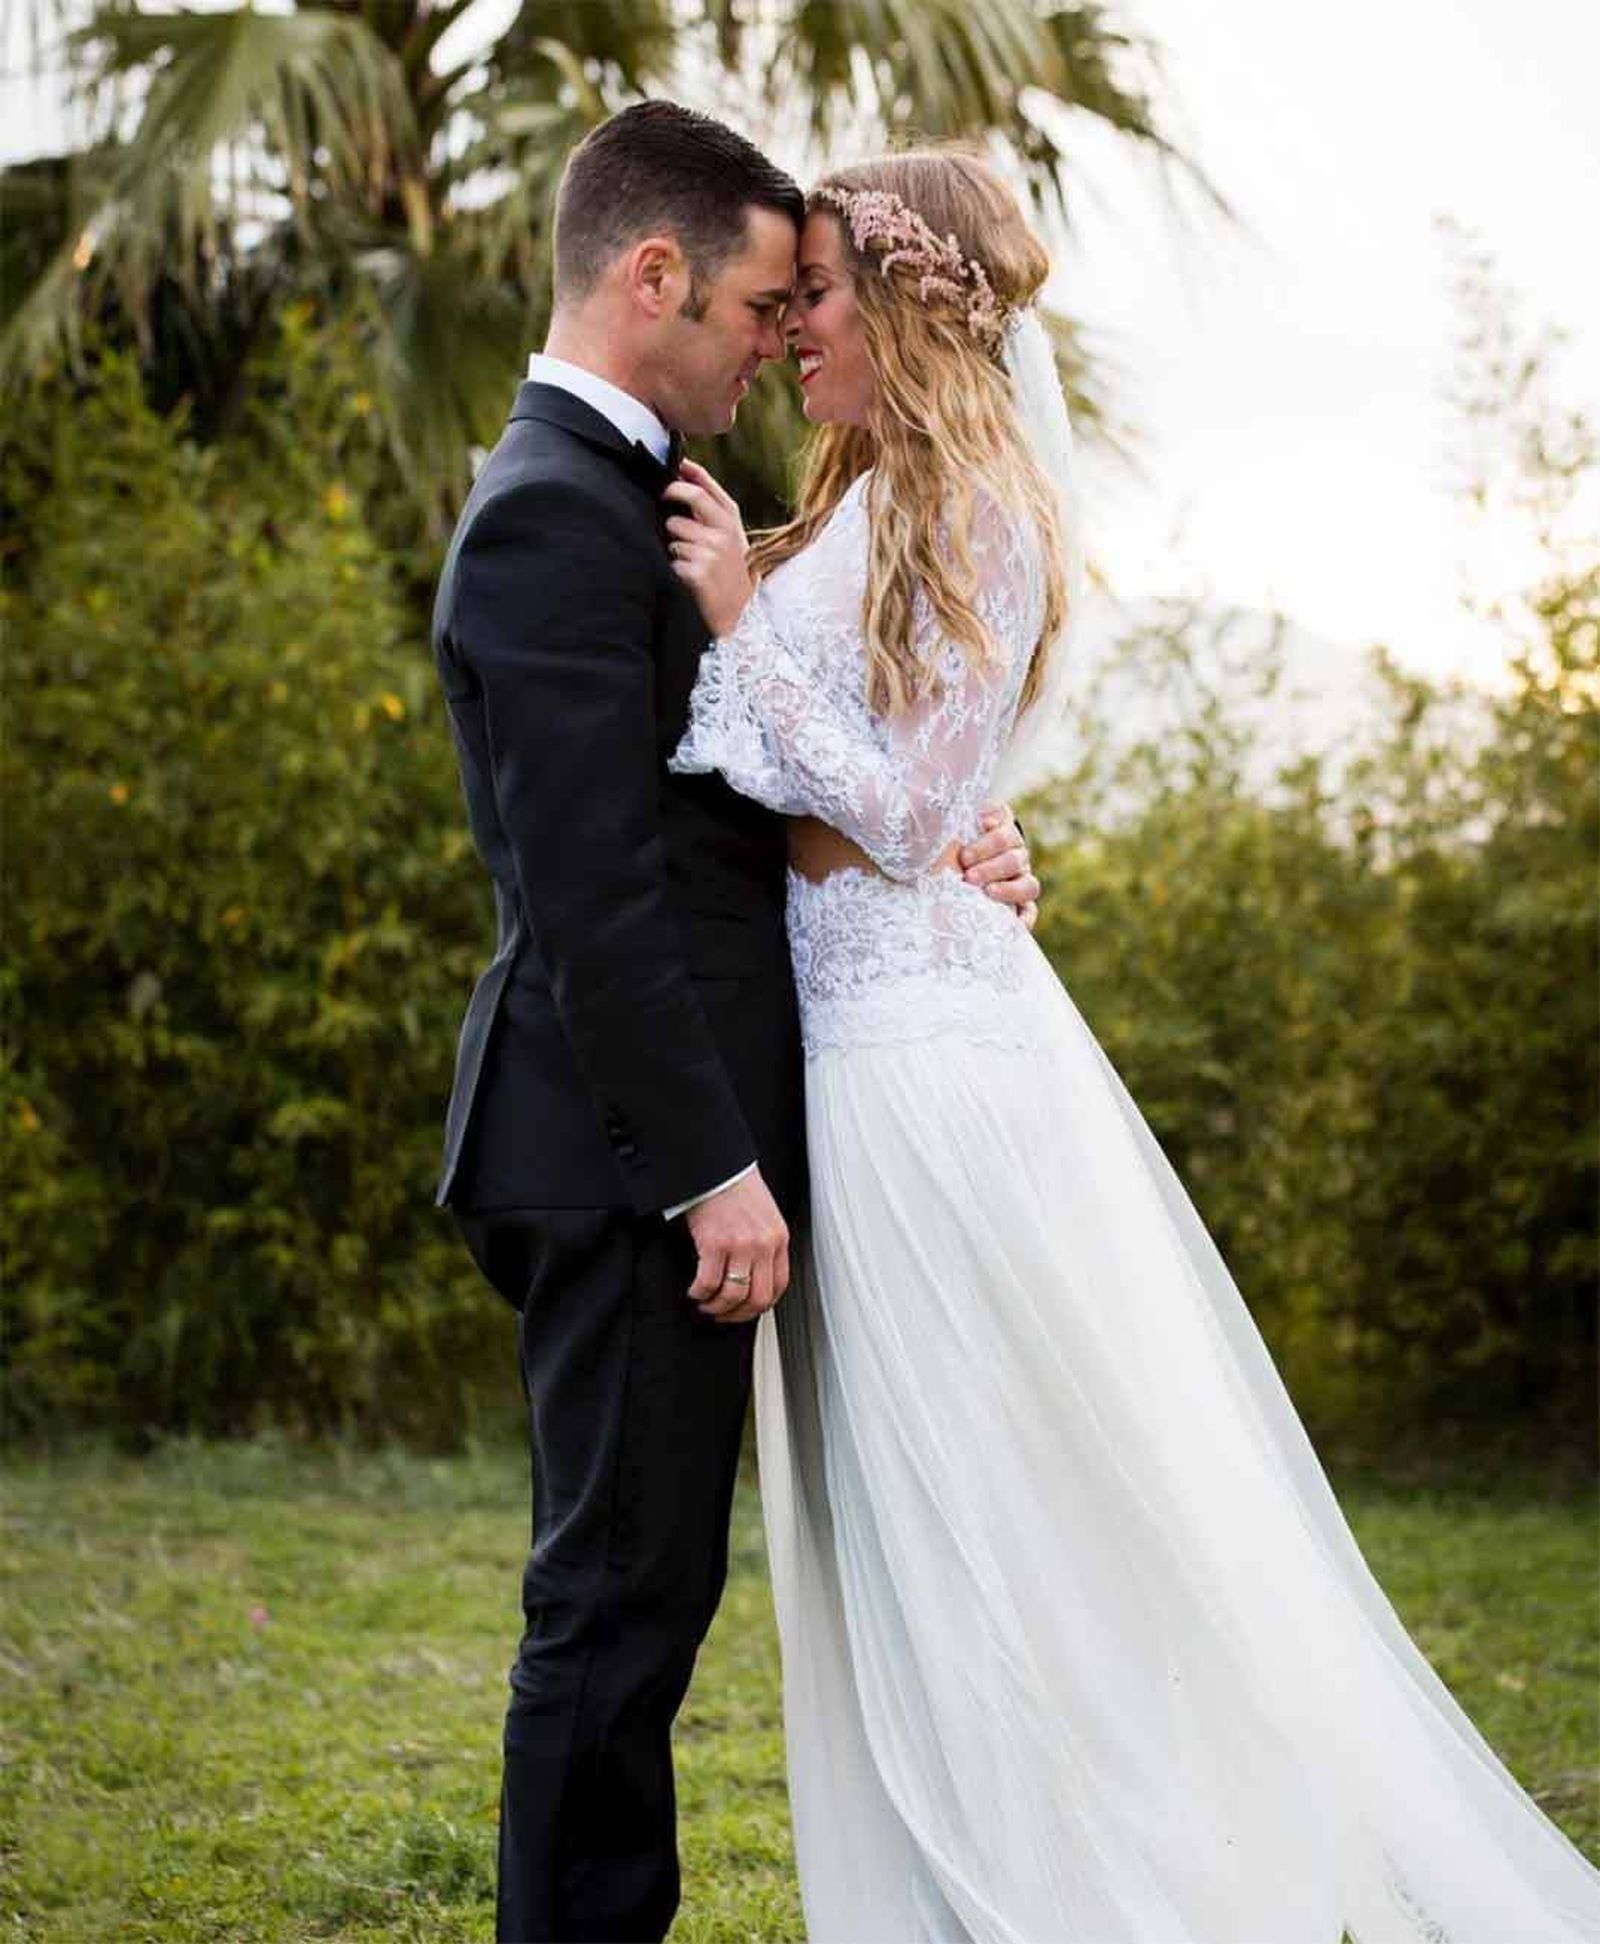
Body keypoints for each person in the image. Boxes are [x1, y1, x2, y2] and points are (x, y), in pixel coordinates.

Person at [665, 148, 1600, 1942]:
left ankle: (1081, 1889)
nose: (793, 328)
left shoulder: (987, 513)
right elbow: (901, 790)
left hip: (925, 1063)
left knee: (990, 1505)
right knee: (911, 1518)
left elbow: (909, 806)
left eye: (824, 293)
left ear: (913, 306)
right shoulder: (861, 504)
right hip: (845, 1045)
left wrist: (734, 632)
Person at [429, 105, 1040, 1944]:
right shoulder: (553, 515)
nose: (780, 342)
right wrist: (709, 1170)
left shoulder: (646, 497)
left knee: (650, 1594)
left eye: (804, 306)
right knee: (617, 1604)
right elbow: (593, 897)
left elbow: (779, 785)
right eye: (766, 304)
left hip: (691, 1137)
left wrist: (957, 842)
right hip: (629, 1152)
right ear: (654, 277)